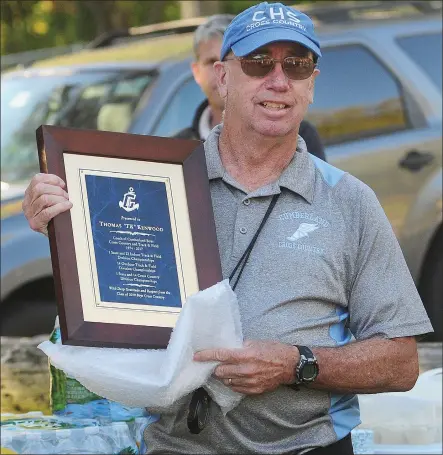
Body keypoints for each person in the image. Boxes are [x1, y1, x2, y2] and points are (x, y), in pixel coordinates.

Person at [23, 2, 433, 454]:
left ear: (312, 84)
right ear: (222, 77)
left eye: (297, 65)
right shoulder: (160, 184)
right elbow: (116, 283)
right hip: (175, 447)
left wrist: (298, 364)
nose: (278, 80)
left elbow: (401, 362)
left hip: (306, 447)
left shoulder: (350, 201)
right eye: (258, 62)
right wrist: (63, 229)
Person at [175, 13, 327, 162]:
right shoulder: (177, 147)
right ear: (197, 71)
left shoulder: (301, 137)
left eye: (256, 63)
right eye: (211, 62)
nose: (279, 82)